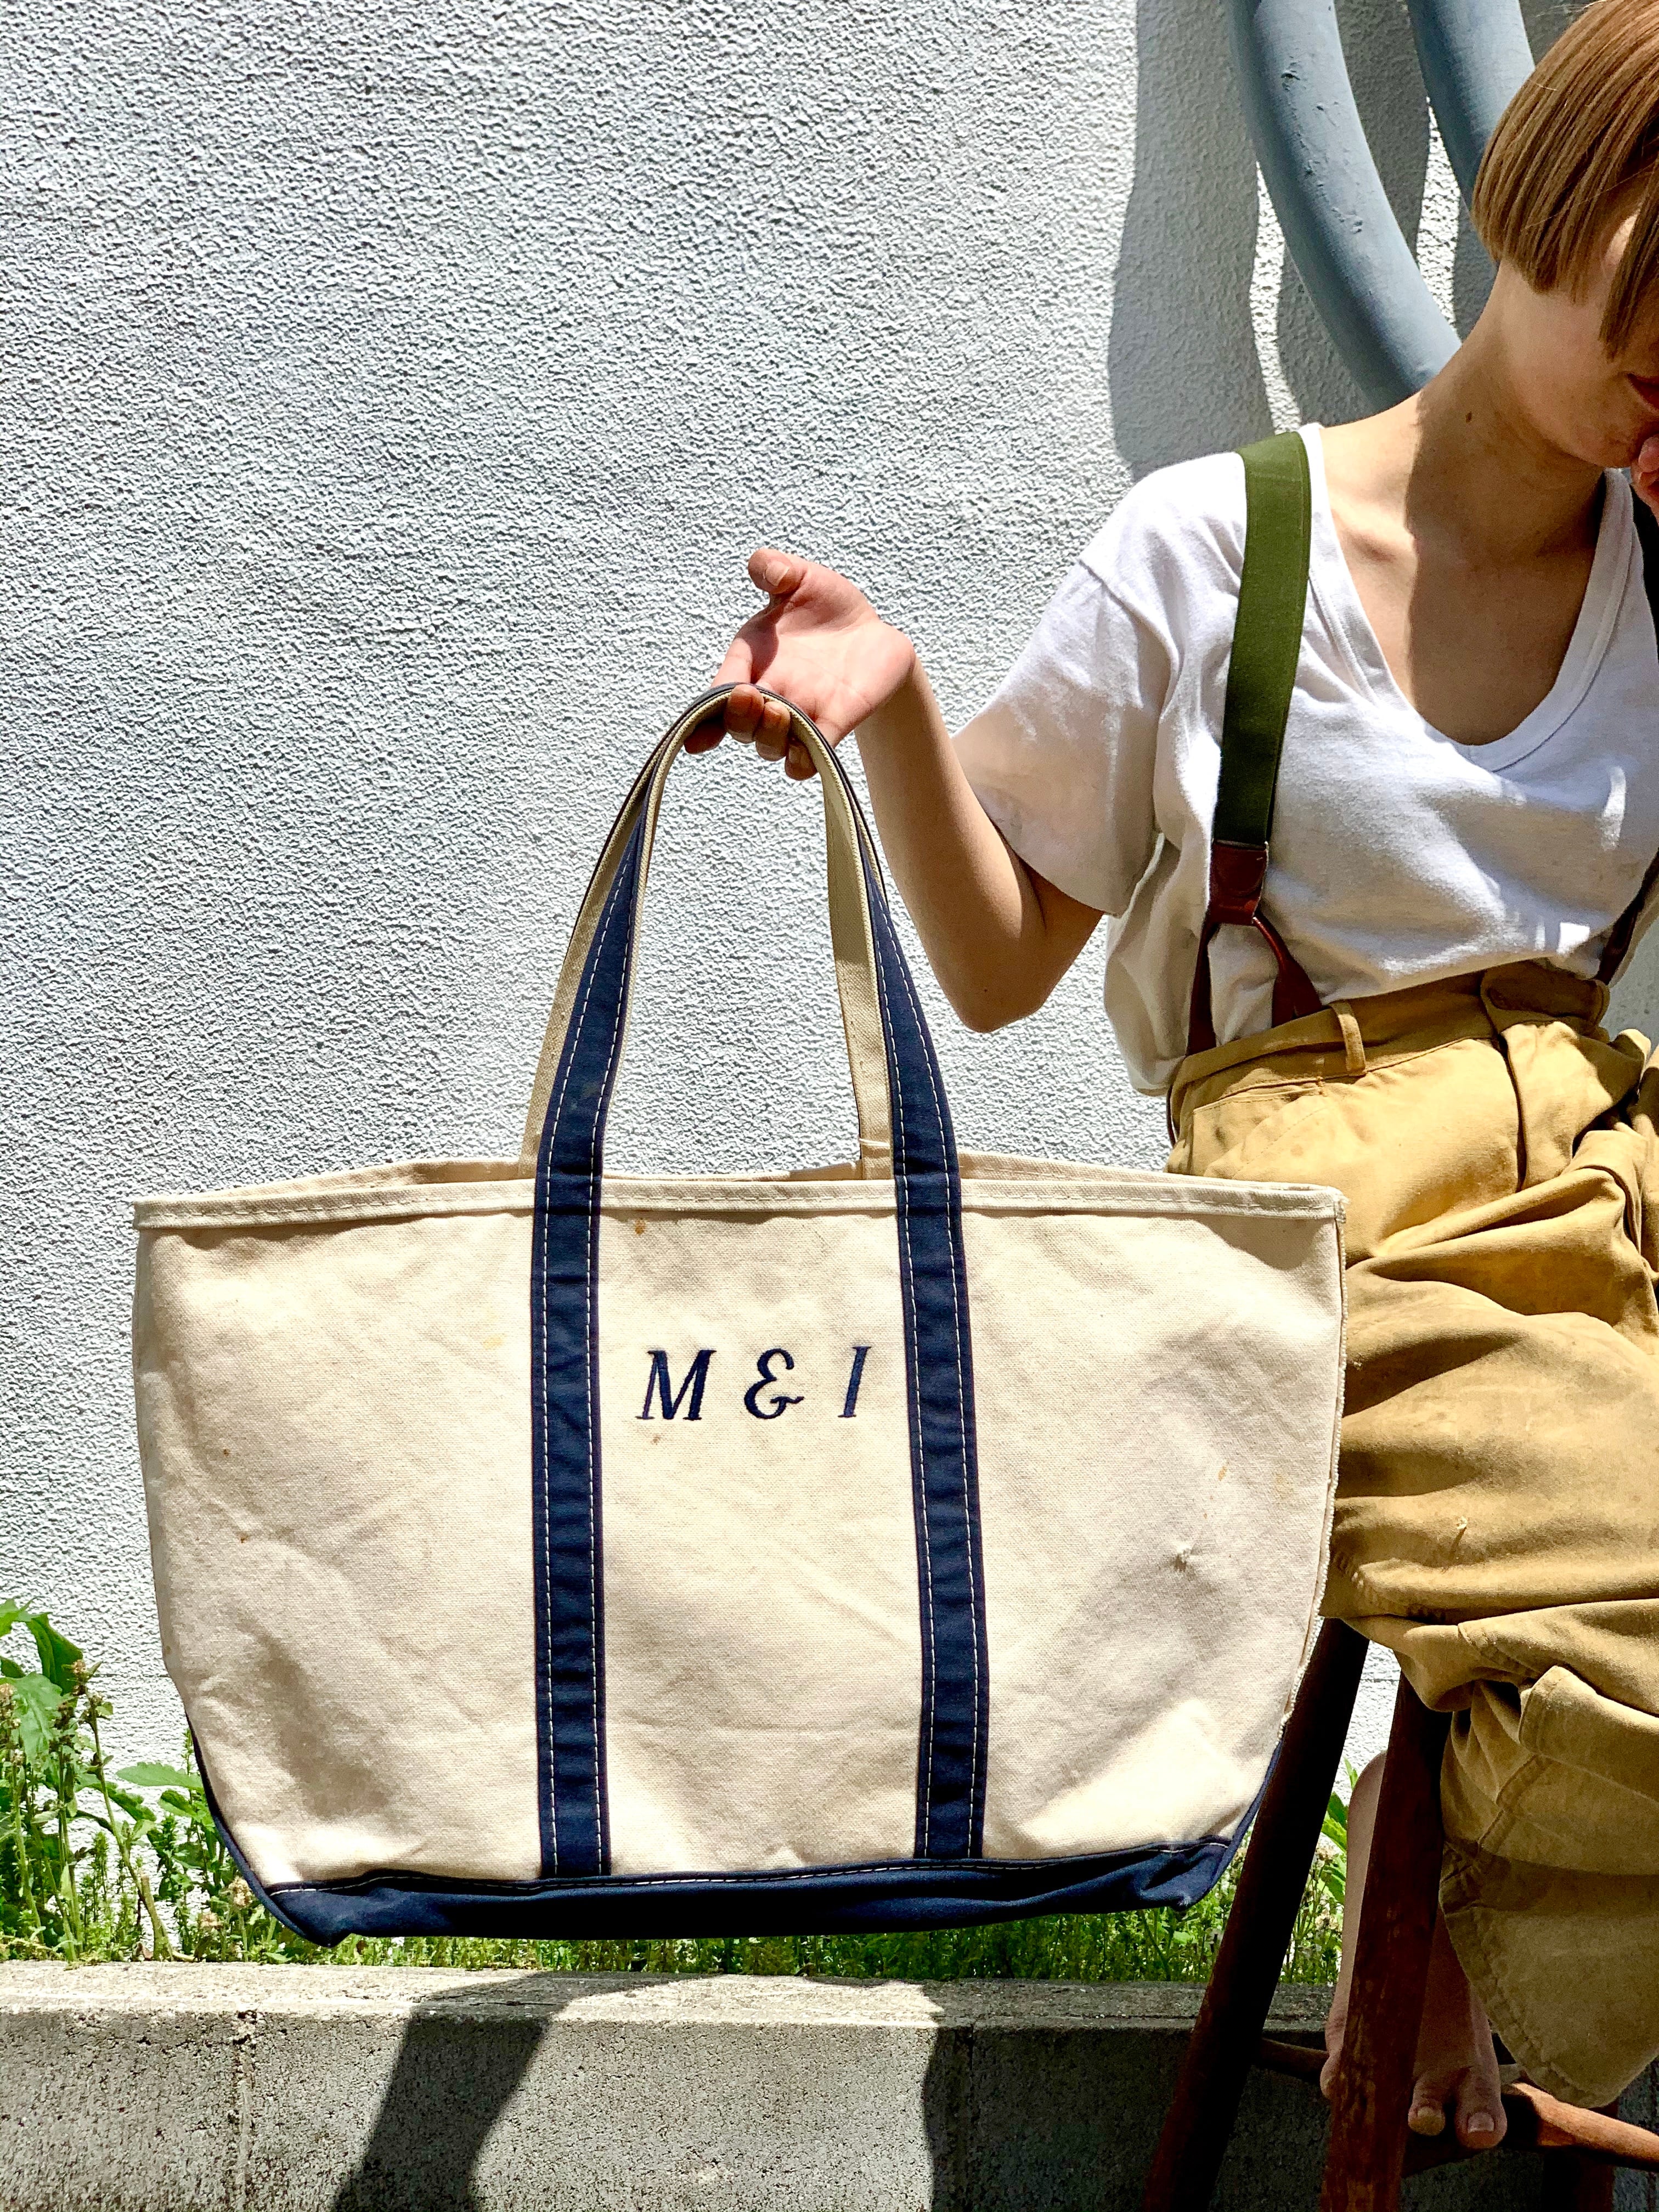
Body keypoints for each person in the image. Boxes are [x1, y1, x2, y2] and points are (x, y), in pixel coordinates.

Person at [700, 0, 1659, 2149]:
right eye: (1655, 280)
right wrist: (896, 709)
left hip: (1603, 1213)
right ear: (1548, 196)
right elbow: (999, 964)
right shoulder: (1217, 548)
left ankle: (1462, 1871)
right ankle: (1457, 1883)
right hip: (1336, 1227)